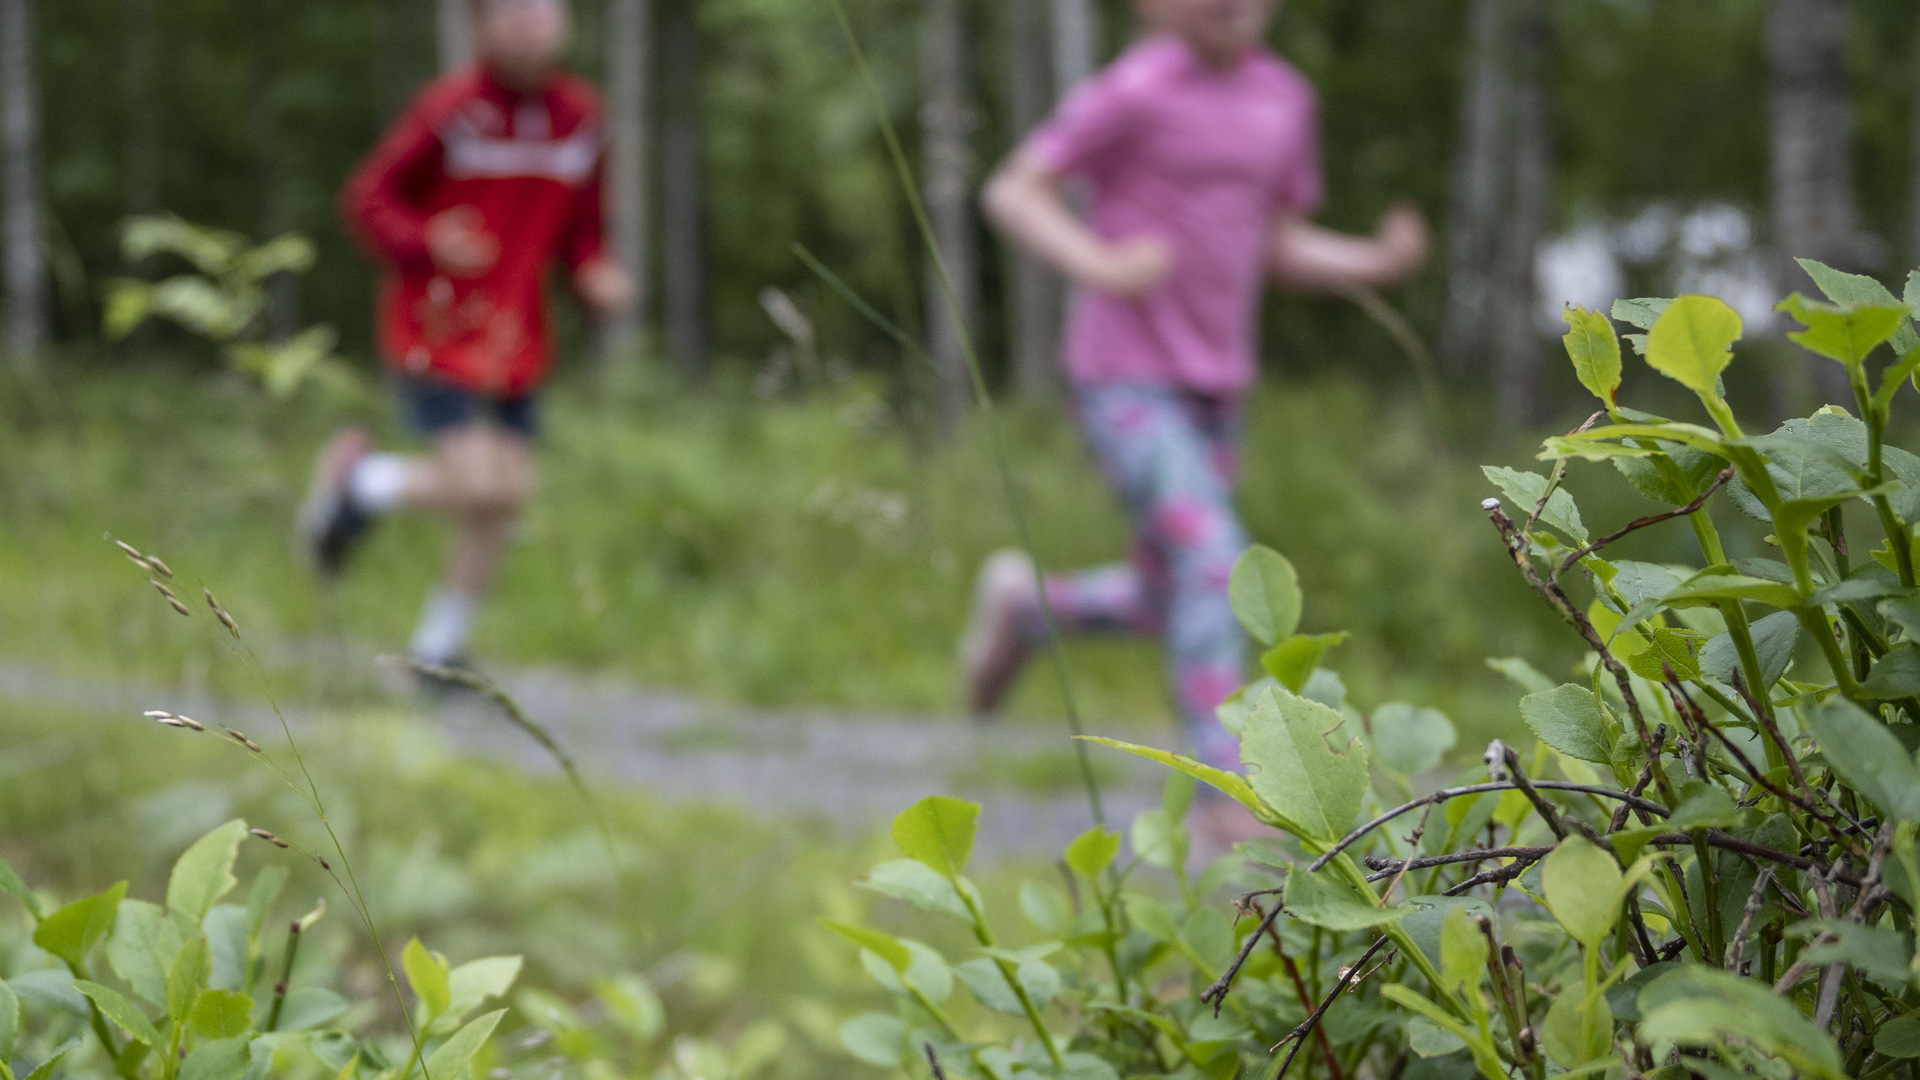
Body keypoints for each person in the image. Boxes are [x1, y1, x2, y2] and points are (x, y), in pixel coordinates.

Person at [964, 0, 1428, 846]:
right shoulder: (1134, 90)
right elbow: (1013, 190)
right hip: (1122, 377)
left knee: (1173, 592)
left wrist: (1372, 260)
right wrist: (1099, 263)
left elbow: (1276, 243)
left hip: (1218, 384)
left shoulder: (1284, 100)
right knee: (1216, 564)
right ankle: (1225, 788)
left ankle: (1030, 610)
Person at [301, 0, 631, 673]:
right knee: (483, 488)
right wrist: (427, 240)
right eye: (510, 10)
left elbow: (582, 229)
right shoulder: (451, 109)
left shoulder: (582, 117)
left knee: (507, 500)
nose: (530, 20)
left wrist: (594, 273)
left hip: (519, 340)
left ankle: (437, 656)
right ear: (480, 26)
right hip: (438, 327)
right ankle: (360, 481)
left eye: (543, 7)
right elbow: (368, 199)